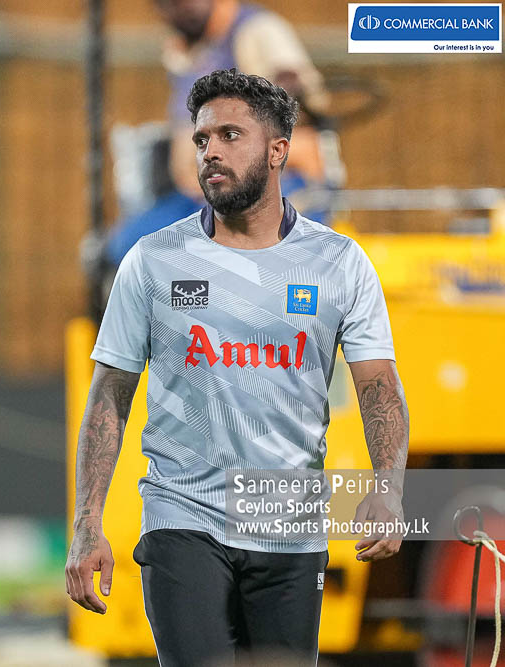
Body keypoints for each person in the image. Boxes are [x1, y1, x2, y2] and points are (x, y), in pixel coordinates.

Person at [66, 69, 408, 665]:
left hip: (288, 520)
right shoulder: (153, 261)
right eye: (202, 139)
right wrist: (87, 521)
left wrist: (389, 487)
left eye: (230, 135)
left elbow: (378, 385)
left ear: (278, 151)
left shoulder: (339, 262)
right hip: (182, 516)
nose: (211, 152)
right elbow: (108, 395)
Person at [105, 0, 336, 264]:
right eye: (164, 6)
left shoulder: (256, 31)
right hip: (201, 195)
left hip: (269, 188)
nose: (173, 13)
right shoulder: (188, 48)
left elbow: (306, 109)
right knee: (127, 246)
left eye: (180, 3)